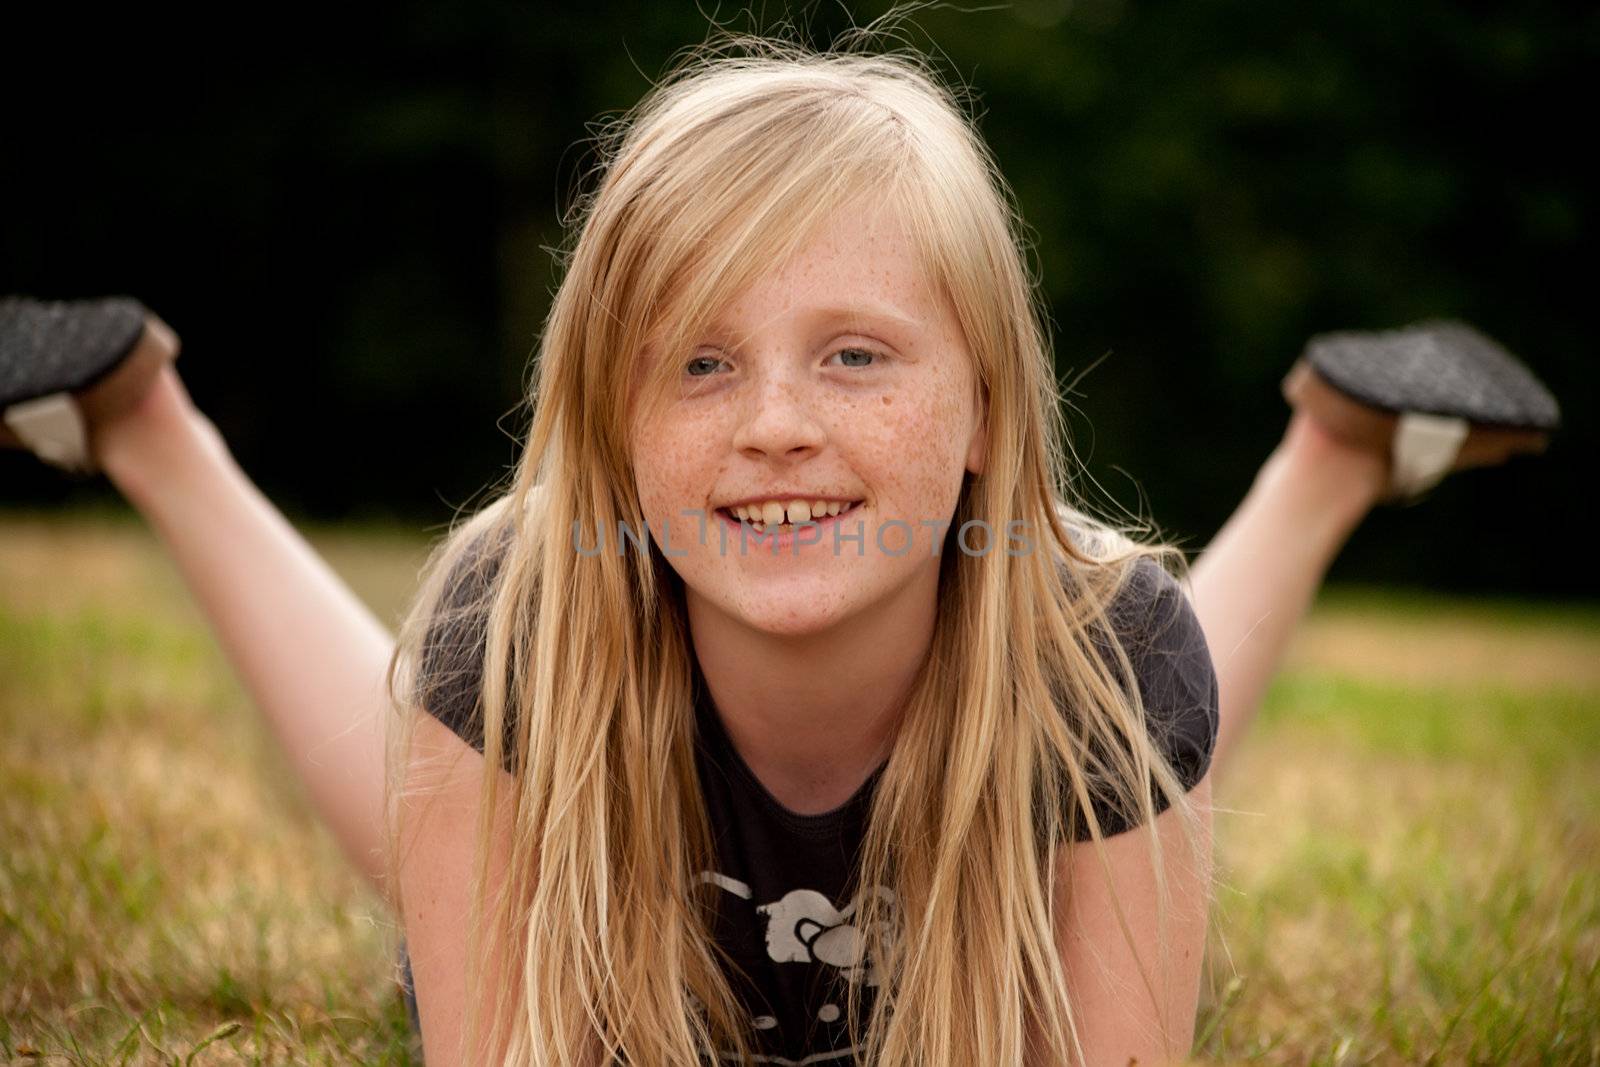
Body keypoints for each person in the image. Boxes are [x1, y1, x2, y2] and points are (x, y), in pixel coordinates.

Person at [0, 37, 1559, 1067]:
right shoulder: (522, 622)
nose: (775, 425)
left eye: (858, 356)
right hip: (543, 697)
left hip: (1055, 641)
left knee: (1103, 663)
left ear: (983, 410)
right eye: (697, 363)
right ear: (609, 424)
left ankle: (1332, 453)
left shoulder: (1117, 656)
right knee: (455, 759)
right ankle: (147, 425)